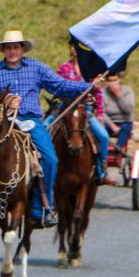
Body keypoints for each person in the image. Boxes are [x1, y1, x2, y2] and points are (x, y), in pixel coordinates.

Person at [0, 30, 102, 229]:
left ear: (22, 48)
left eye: (16, 47)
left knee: (50, 158)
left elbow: (60, 85)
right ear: (3, 50)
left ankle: (41, 208)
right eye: (8, 47)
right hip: (3, 121)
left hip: (30, 120)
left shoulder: (36, 67)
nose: (12, 51)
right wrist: (5, 100)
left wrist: (89, 86)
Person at [51, 42, 117, 185]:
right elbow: (56, 86)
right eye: (73, 46)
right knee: (45, 128)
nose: (75, 49)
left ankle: (101, 172)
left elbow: (98, 92)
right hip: (65, 108)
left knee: (103, 136)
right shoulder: (63, 68)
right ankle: (43, 170)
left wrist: (99, 113)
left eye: (78, 46)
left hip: (85, 109)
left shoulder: (92, 70)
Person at [102, 72, 135, 150]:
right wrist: (111, 125)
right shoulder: (103, 92)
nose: (112, 83)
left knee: (125, 128)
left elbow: (129, 109)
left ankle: (118, 149)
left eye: (115, 80)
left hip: (124, 120)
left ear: (119, 80)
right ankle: (102, 149)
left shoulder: (128, 91)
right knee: (100, 129)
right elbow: (101, 111)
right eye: (110, 81)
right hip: (108, 121)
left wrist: (118, 94)